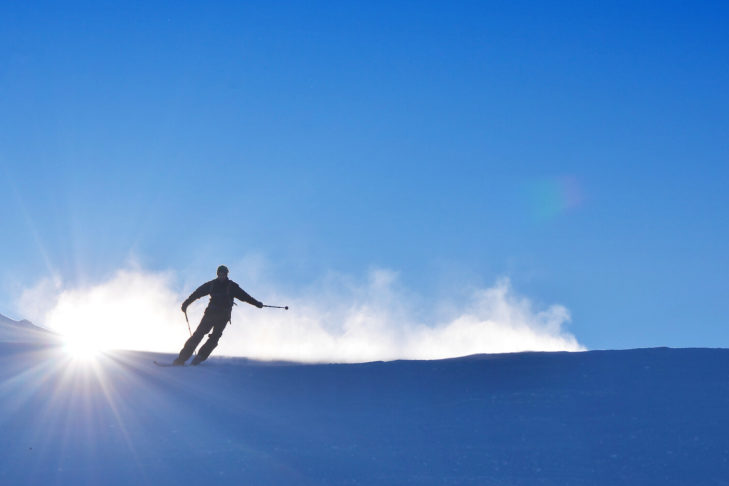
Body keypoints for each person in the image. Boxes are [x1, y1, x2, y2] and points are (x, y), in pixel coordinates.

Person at [173, 265, 263, 366]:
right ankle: (181, 359)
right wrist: (186, 303)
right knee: (198, 335)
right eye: (220, 274)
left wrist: (257, 303)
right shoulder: (211, 284)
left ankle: (200, 357)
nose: (221, 276)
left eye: (223, 274)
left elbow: (245, 296)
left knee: (214, 338)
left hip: (223, 317)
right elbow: (197, 293)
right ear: (217, 274)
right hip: (210, 315)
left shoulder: (232, 286)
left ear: (226, 274)